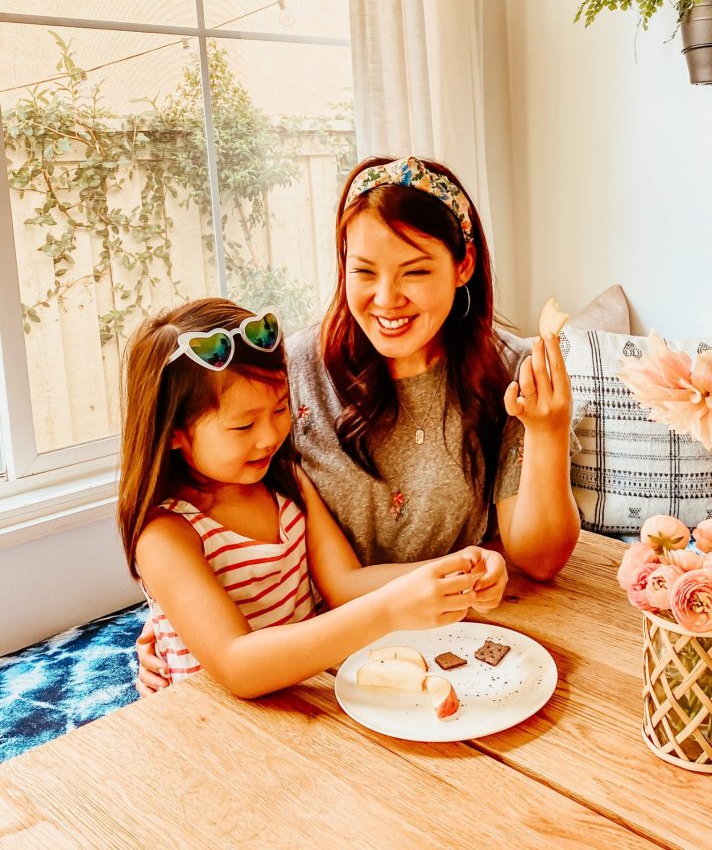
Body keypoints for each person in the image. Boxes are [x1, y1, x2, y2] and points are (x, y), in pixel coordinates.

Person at [135, 155, 580, 693]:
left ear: (463, 266)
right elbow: (200, 494)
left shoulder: (508, 372)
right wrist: (174, 619)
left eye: (414, 271)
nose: (386, 299)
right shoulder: (286, 375)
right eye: (363, 271)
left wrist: (548, 433)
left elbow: (539, 560)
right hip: (318, 663)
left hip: (447, 641)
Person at [118, 297, 506, 698]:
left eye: (280, 408)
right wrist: (388, 611)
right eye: (243, 425)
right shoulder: (166, 535)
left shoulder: (284, 481)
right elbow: (238, 666)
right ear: (174, 433)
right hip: (220, 721)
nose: (270, 436)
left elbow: (344, 582)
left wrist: (456, 569)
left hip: (303, 695)